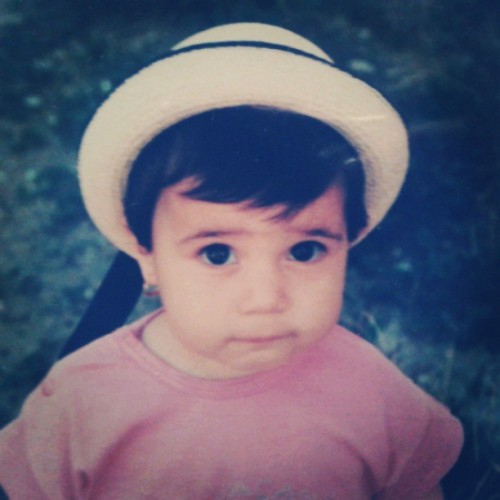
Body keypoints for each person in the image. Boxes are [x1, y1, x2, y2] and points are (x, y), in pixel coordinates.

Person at [0, 23, 463, 499]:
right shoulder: (81, 405)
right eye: (217, 253)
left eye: (305, 250)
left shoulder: (376, 396)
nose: (265, 299)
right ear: (147, 255)